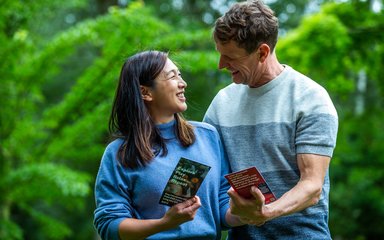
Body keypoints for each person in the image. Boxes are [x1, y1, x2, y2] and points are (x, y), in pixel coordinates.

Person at [203, 1, 338, 239]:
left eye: (230, 57)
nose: (221, 65)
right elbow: (208, 180)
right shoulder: (221, 104)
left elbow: (312, 186)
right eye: (220, 55)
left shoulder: (310, 98)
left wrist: (265, 212)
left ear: (262, 52)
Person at [93, 50, 242, 240]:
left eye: (179, 74)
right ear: (145, 92)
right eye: (172, 76)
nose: (183, 83)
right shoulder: (118, 153)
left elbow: (221, 209)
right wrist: (165, 223)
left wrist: (245, 213)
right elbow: (109, 226)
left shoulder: (208, 137)